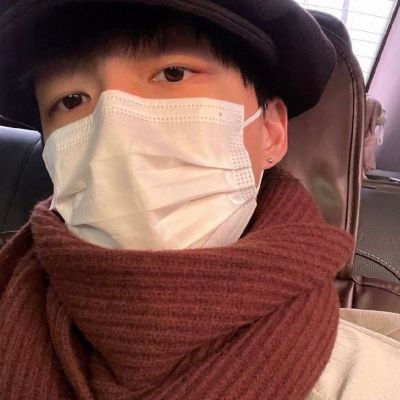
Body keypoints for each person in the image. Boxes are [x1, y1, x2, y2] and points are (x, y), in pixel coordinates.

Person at [0, 1, 399, 399]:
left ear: (271, 131)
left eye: (173, 73)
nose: (116, 135)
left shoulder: (372, 382)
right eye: (71, 100)